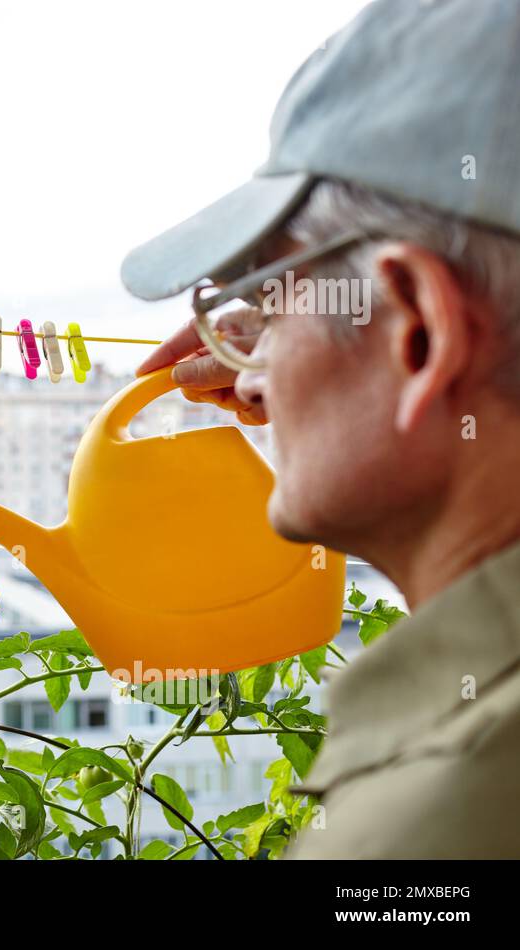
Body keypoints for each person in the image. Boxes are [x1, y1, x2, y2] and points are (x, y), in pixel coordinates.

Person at [121, 0, 520, 857]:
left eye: (267, 300)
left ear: (419, 331)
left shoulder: (433, 823)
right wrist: (316, 371)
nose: (250, 388)